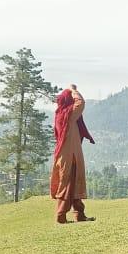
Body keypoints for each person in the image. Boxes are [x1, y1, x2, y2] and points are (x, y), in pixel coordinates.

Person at [50, 84, 95, 223]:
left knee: (73, 185)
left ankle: (79, 214)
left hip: (69, 155)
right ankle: (61, 215)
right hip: (69, 157)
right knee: (67, 186)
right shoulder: (67, 116)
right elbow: (80, 103)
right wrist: (73, 90)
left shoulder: (62, 115)